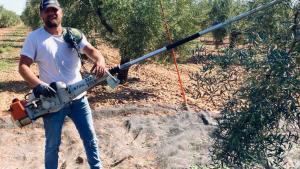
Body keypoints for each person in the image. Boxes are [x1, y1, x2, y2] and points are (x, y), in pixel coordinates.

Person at [19, 0, 105, 168]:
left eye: (54, 10)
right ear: (41, 14)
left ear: (61, 12)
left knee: (90, 138)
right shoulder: (34, 38)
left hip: (79, 98)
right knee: (52, 145)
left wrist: (100, 61)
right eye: (47, 10)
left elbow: (92, 51)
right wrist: (38, 85)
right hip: (52, 102)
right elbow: (23, 66)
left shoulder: (73, 35)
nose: (52, 13)